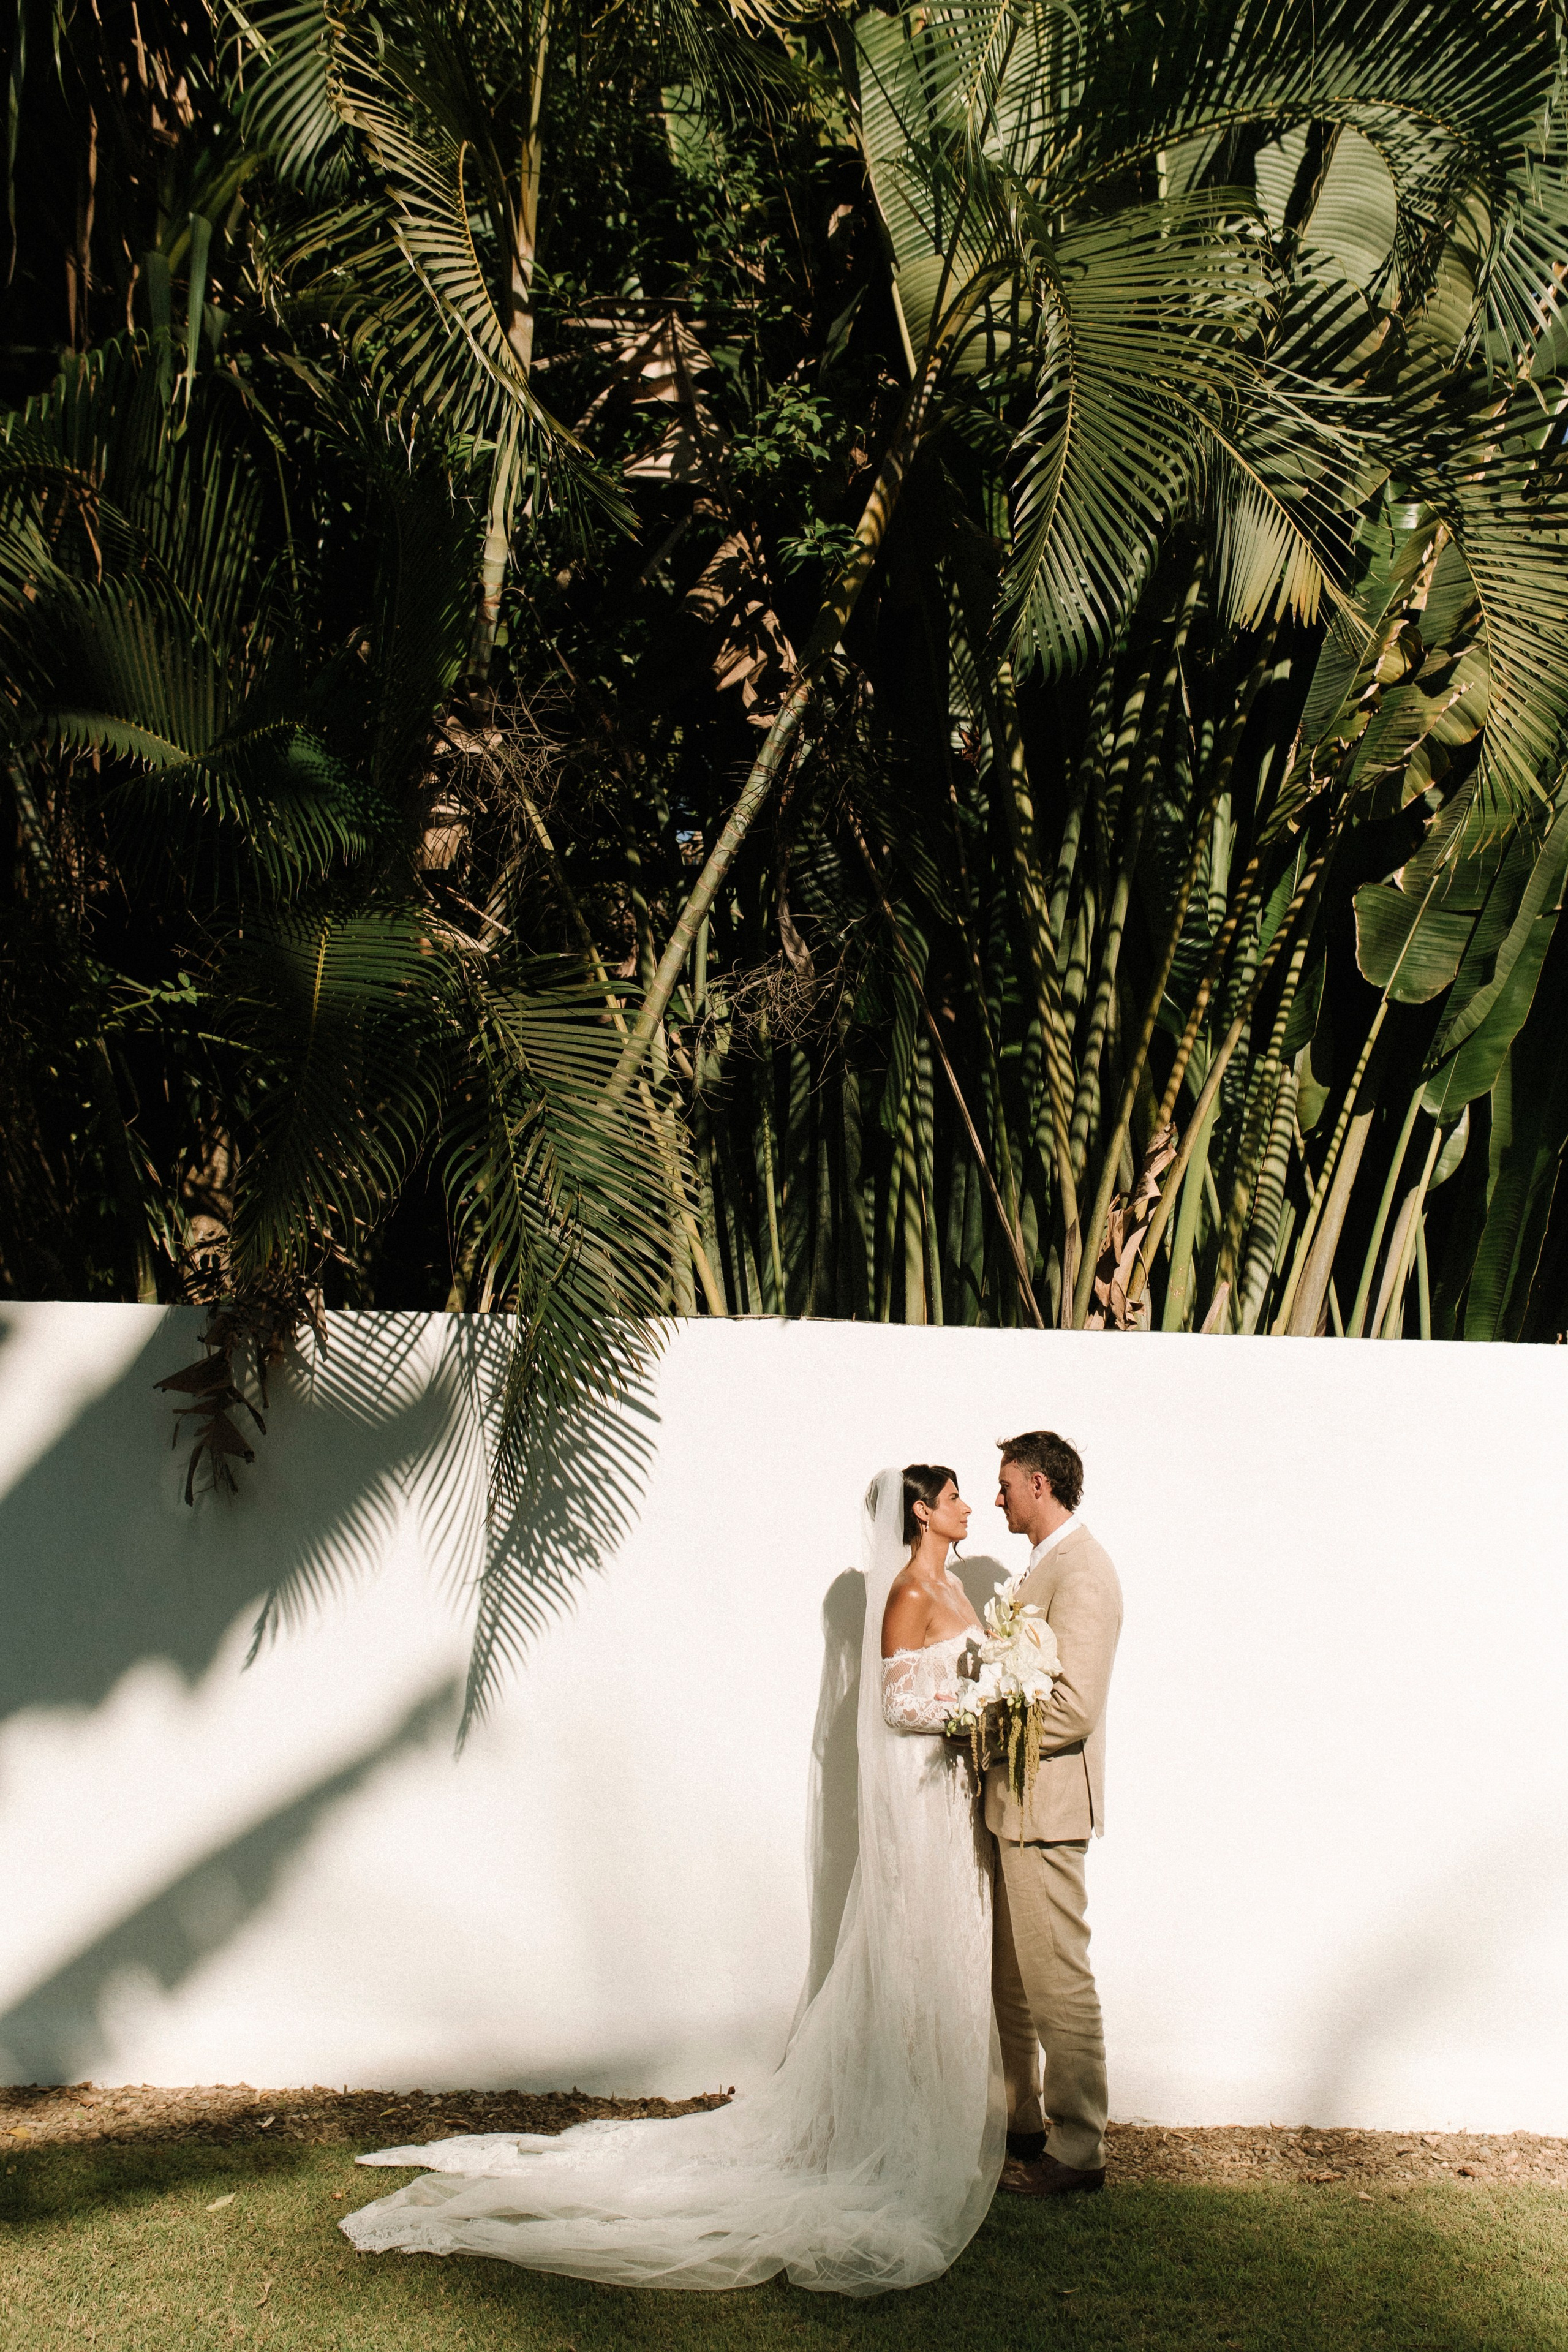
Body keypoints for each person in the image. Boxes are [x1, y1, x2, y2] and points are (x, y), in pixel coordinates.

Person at [339, 1463, 1006, 2296]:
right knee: (912, 1951)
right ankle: (895, 2137)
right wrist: (979, 1707)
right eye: (954, 1499)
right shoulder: (908, 1593)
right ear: (922, 1511)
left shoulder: (953, 1589)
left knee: (945, 1955)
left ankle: (926, 2120)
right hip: (917, 1795)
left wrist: (991, 1695)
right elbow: (897, 1706)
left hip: (951, 1794)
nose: (969, 1506)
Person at [988, 1430, 1122, 2200]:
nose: (997, 1497)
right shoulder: (1042, 1565)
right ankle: (1021, 2119)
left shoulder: (1085, 1572)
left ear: (1039, 1485)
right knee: (1012, 1977)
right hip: (1014, 1803)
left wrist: (980, 1721)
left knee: (1057, 1978)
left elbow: (1071, 1709)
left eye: (1004, 1484)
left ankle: (1078, 2149)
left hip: (1049, 1805)